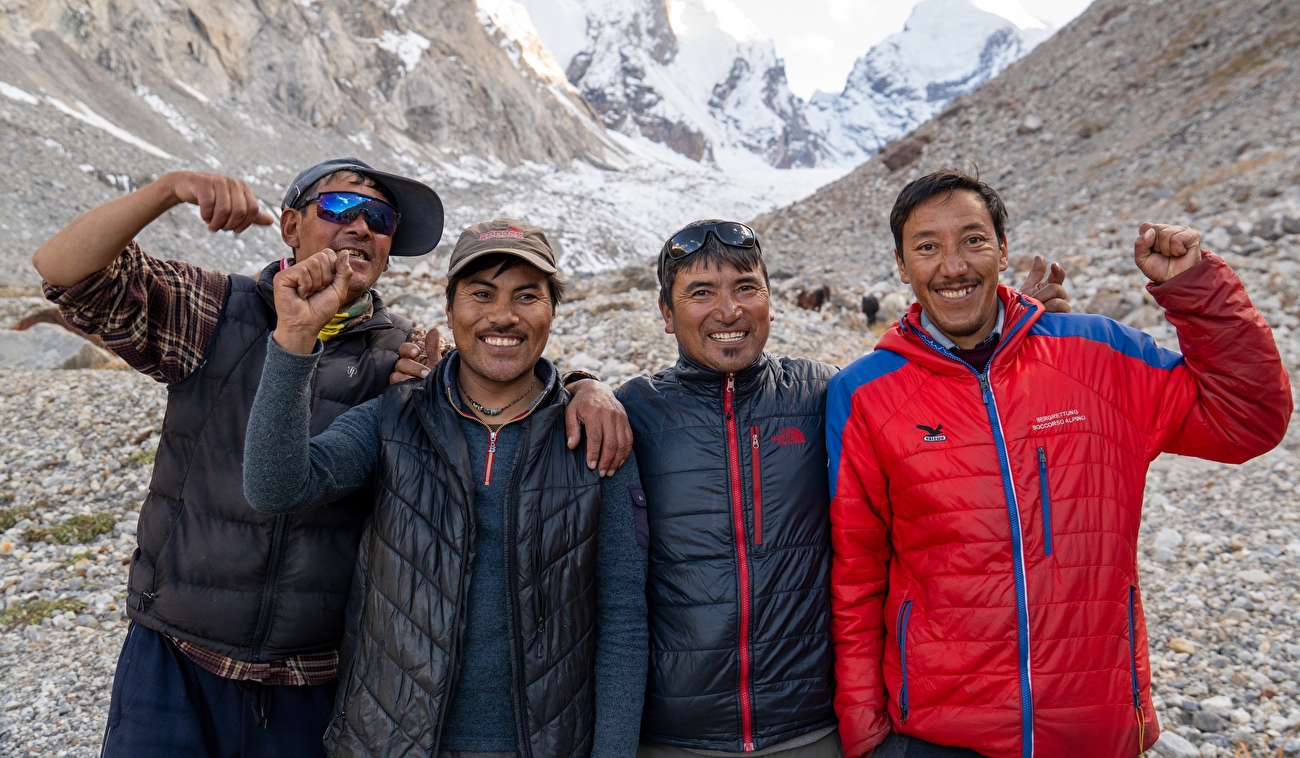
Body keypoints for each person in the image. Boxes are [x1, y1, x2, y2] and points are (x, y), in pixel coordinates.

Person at [31, 162, 629, 756]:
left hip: (314, 676)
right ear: (291, 225)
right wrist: (165, 189)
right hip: (180, 654)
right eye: (340, 207)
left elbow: (496, 370)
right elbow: (64, 271)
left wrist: (583, 385)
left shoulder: (402, 356)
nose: (361, 226)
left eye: (381, 217)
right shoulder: (218, 313)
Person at [826, 171, 1292, 758]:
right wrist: (865, 732)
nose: (953, 266)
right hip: (937, 734)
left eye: (973, 240)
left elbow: (1248, 419)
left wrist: (1197, 293)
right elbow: (856, 573)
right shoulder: (866, 393)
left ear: (1002, 248)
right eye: (927, 246)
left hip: (1094, 723)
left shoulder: (1098, 354)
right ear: (900, 265)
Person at [615, 220, 1070, 757]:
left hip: (812, 729)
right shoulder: (632, 413)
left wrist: (1013, 339)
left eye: (746, 287)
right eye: (700, 293)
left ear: (771, 299)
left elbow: (945, 400)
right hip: (674, 736)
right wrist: (582, 388)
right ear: (666, 315)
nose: (728, 310)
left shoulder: (824, 393)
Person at [242, 218, 649, 757]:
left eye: (527, 296)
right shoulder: (395, 418)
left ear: (553, 309)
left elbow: (622, 622)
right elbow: (275, 487)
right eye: (481, 294)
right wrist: (294, 341)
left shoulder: (593, 435)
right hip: (390, 743)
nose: (502, 315)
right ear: (451, 307)